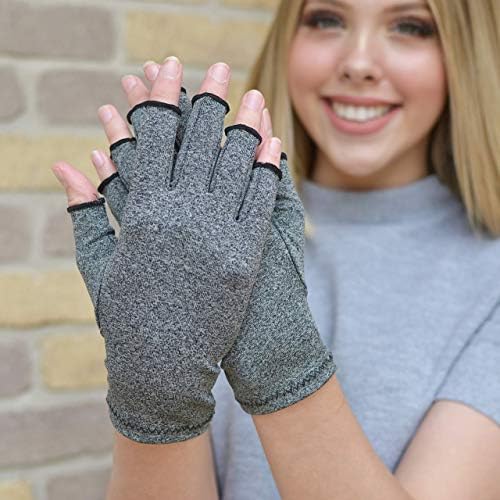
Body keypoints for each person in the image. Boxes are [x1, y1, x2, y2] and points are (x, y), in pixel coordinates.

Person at [52, 0, 500, 499]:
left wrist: (284, 367)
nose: (358, 62)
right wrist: (155, 408)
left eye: (410, 26)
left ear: (466, 53)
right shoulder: (210, 228)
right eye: (326, 19)